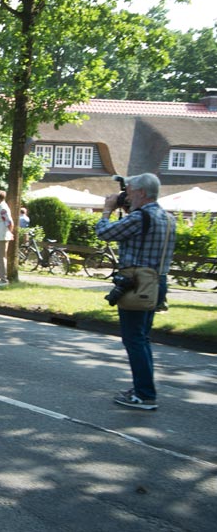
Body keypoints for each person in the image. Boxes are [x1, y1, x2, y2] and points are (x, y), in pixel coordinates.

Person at [96, 173, 176, 410]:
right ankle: (144, 388)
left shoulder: (140, 217)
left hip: (137, 284)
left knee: (133, 339)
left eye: (129, 191)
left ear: (141, 192)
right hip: (157, 283)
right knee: (142, 338)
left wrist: (107, 210)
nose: (126, 195)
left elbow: (104, 233)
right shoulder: (167, 217)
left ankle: (144, 394)